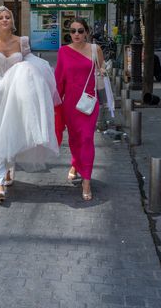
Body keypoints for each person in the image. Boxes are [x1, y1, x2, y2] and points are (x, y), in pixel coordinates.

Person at [0, 6, 60, 201]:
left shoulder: (22, 41)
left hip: (17, 93)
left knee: (12, 132)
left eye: (8, 17)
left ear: (12, 21)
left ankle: (9, 168)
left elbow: (31, 63)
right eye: (1, 18)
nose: (4, 20)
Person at [55, 18, 105, 202]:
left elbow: (102, 66)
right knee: (75, 139)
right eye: (73, 31)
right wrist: (54, 102)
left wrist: (103, 71)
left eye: (80, 30)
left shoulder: (95, 49)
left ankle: (86, 181)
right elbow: (59, 78)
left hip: (89, 102)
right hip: (70, 104)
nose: (76, 34)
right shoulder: (63, 51)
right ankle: (76, 163)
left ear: (87, 32)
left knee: (86, 138)